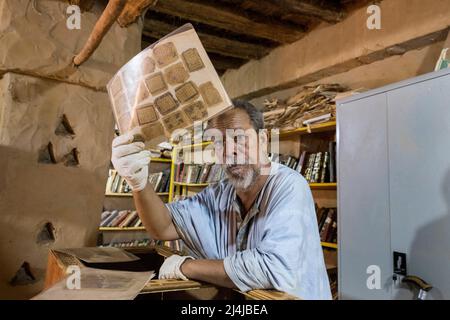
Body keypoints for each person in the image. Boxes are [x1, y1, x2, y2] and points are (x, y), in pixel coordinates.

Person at [111, 100, 331, 299]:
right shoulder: (219, 193)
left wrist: (185, 267)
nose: (230, 151)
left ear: (263, 140)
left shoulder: (290, 186)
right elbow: (163, 227)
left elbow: (269, 268)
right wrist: (138, 182)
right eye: (219, 143)